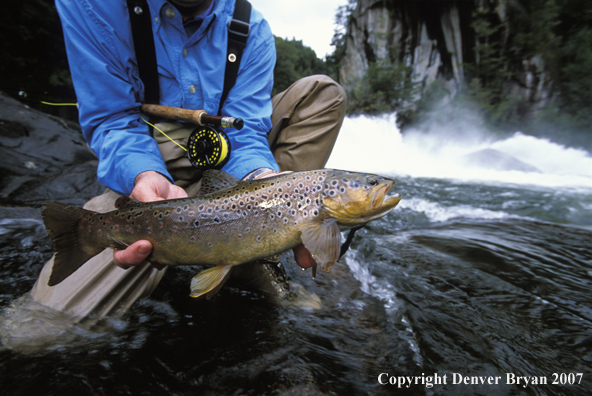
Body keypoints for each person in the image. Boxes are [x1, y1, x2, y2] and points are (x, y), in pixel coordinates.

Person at [29, 0, 346, 319]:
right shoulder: (90, 5)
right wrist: (143, 175)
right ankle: (217, 247)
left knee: (322, 93)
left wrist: (262, 179)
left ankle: (256, 254)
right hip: (150, 173)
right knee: (42, 324)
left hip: (229, 170)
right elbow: (113, 119)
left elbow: (246, 132)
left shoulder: (252, 27)